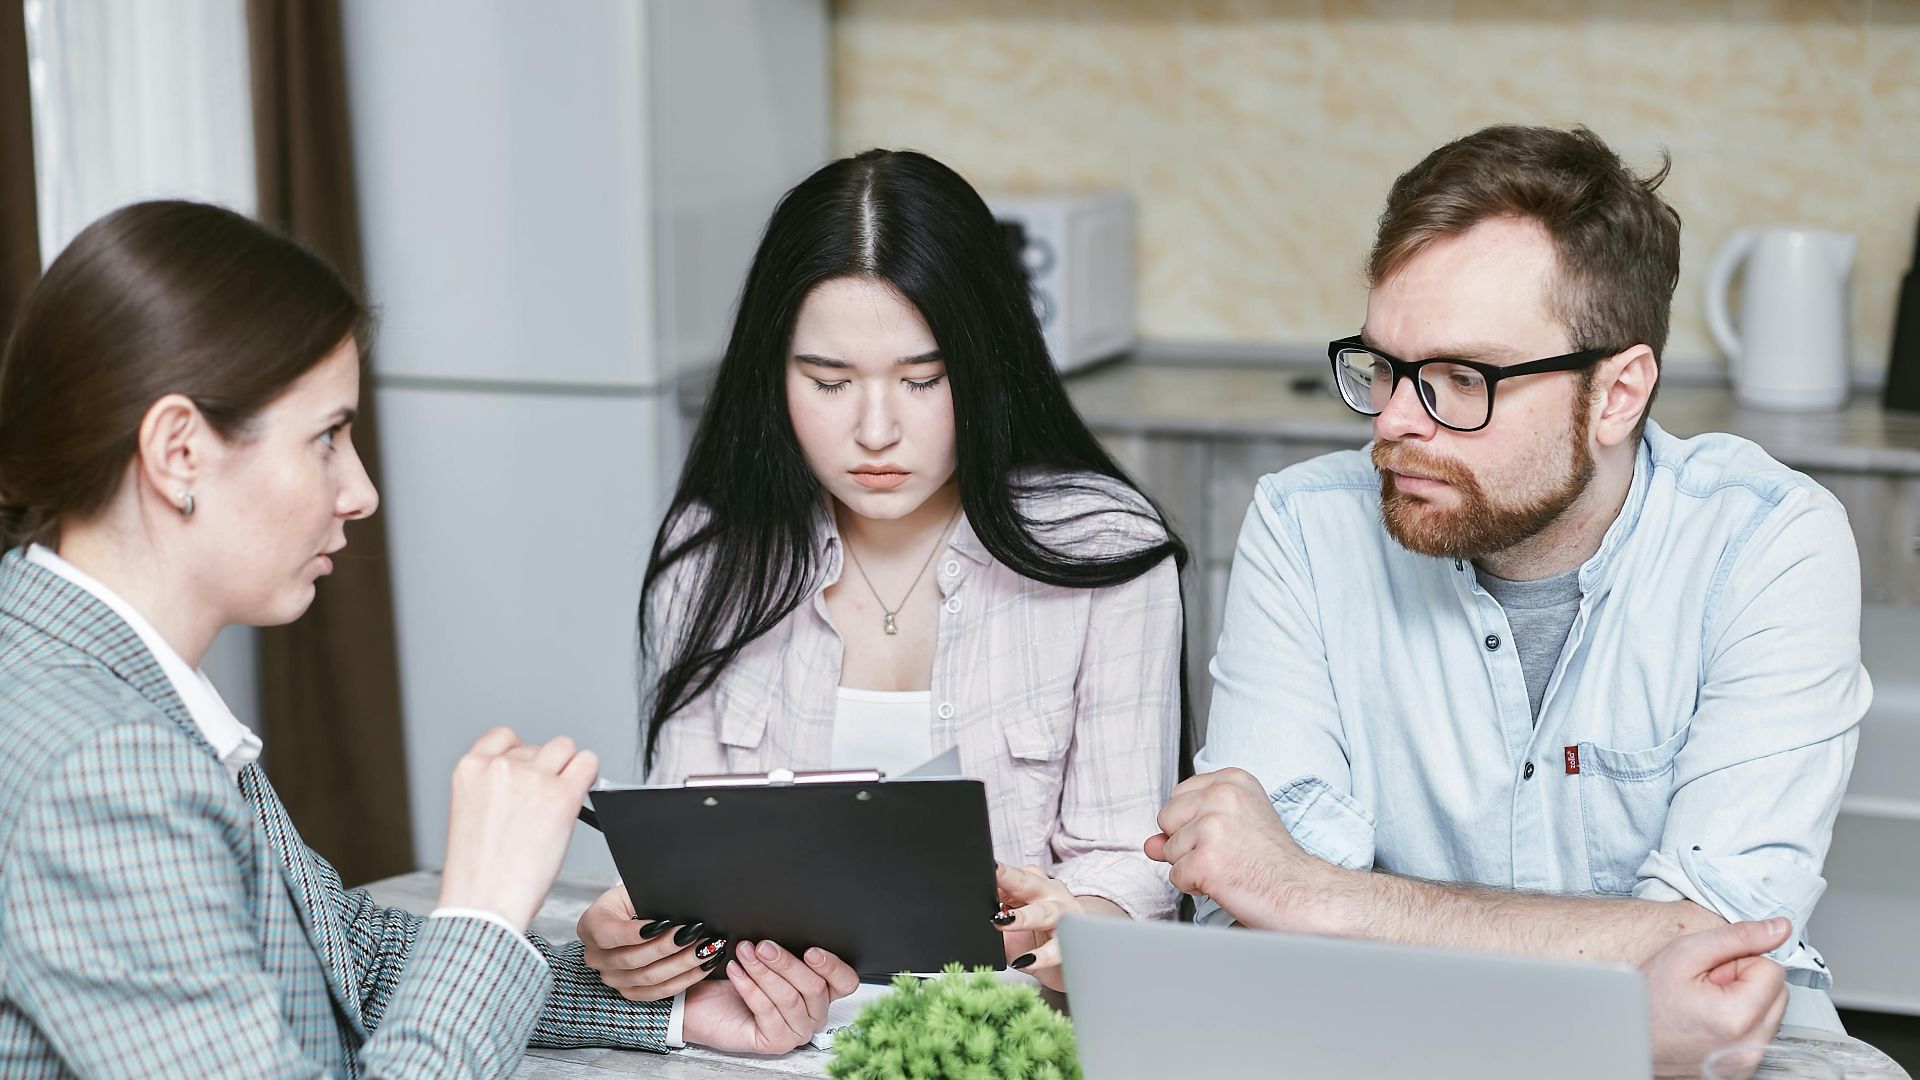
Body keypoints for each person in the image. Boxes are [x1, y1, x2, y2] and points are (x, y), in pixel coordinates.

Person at [0, 201, 857, 1078]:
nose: (361, 491)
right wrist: (484, 903)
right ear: (179, 452)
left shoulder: (87, 671)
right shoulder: (102, 769)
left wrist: (673, 1013)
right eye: (328, 438)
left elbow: (352, 963)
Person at [1148, 124, 1868, 1034]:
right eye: (1384, 367)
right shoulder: (1304, 529)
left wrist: (1323, 896)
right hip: (1375, 1034)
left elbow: (1715, 944)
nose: (1397, 423)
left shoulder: (1768, 543)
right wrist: (1619, 955)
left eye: (1461, 377)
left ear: (1618, 393)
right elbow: (1247, 908)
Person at [575, 149, 1187, 1000]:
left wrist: (1082, 921)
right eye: (828, 382)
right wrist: (639, 939)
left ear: (987, 366)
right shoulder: (713, 552)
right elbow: (686, 865)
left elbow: (1136, 862)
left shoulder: (1101, 549)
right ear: (772, 374)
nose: (875, 431)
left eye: (923, 380)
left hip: (1010, 1038)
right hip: (765, 1047)